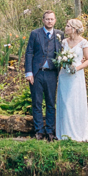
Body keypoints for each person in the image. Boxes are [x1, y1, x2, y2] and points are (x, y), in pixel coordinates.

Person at [55, 18, 88, 142]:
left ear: (73, 29)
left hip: (76, 76)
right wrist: (61, 61)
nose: (65, 27)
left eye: (68, 26)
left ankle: (77, 132)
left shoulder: (83, 42)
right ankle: (64, 132)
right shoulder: (64, 42)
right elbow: (61, 56)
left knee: (74, 102)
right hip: (64, 75)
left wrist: (77, 68)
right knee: (65, 102)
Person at [23, 10, 62, 141]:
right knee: (37, 103)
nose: (49, 21)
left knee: (51, 103)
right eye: (47, 19)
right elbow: (29, 53)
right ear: (43, 20)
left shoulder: (59, 35)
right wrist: (29, 73)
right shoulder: (35, 34)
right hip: (37, 73)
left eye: (52, 19)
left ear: (55, 20)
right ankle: (39, 131)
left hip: (52, 73)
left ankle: (50, 131)